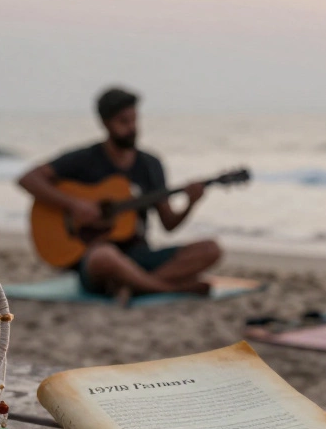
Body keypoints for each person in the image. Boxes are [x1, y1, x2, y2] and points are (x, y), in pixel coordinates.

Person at [18, 87, 221, 296]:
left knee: (211, 249)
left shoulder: (150, 164)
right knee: (104, 257)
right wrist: (74, 205)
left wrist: (191, 203)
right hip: (96, 257)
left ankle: (133, 285)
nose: (132, 128)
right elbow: (28, 179)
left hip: (139, 254)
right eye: (123, 122)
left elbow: (168, 224)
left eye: (134, 120)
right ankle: (164, 287)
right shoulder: (85, 159)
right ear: (105, 123)